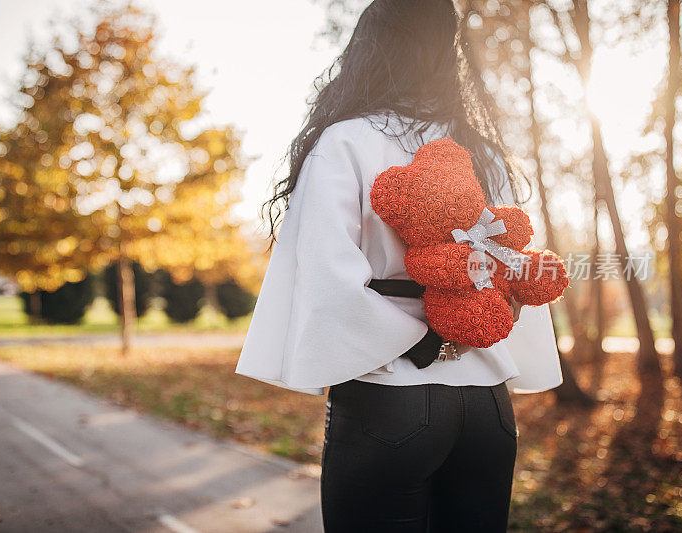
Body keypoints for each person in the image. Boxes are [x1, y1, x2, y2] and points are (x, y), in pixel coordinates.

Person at [235, 1, 563, 531]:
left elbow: (329, 281)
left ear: (370, 47)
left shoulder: (345, 140)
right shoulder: (482, 151)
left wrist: (425, 343)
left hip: (389, 400)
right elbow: (511, 270)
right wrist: (465, 336)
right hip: (487, 409)